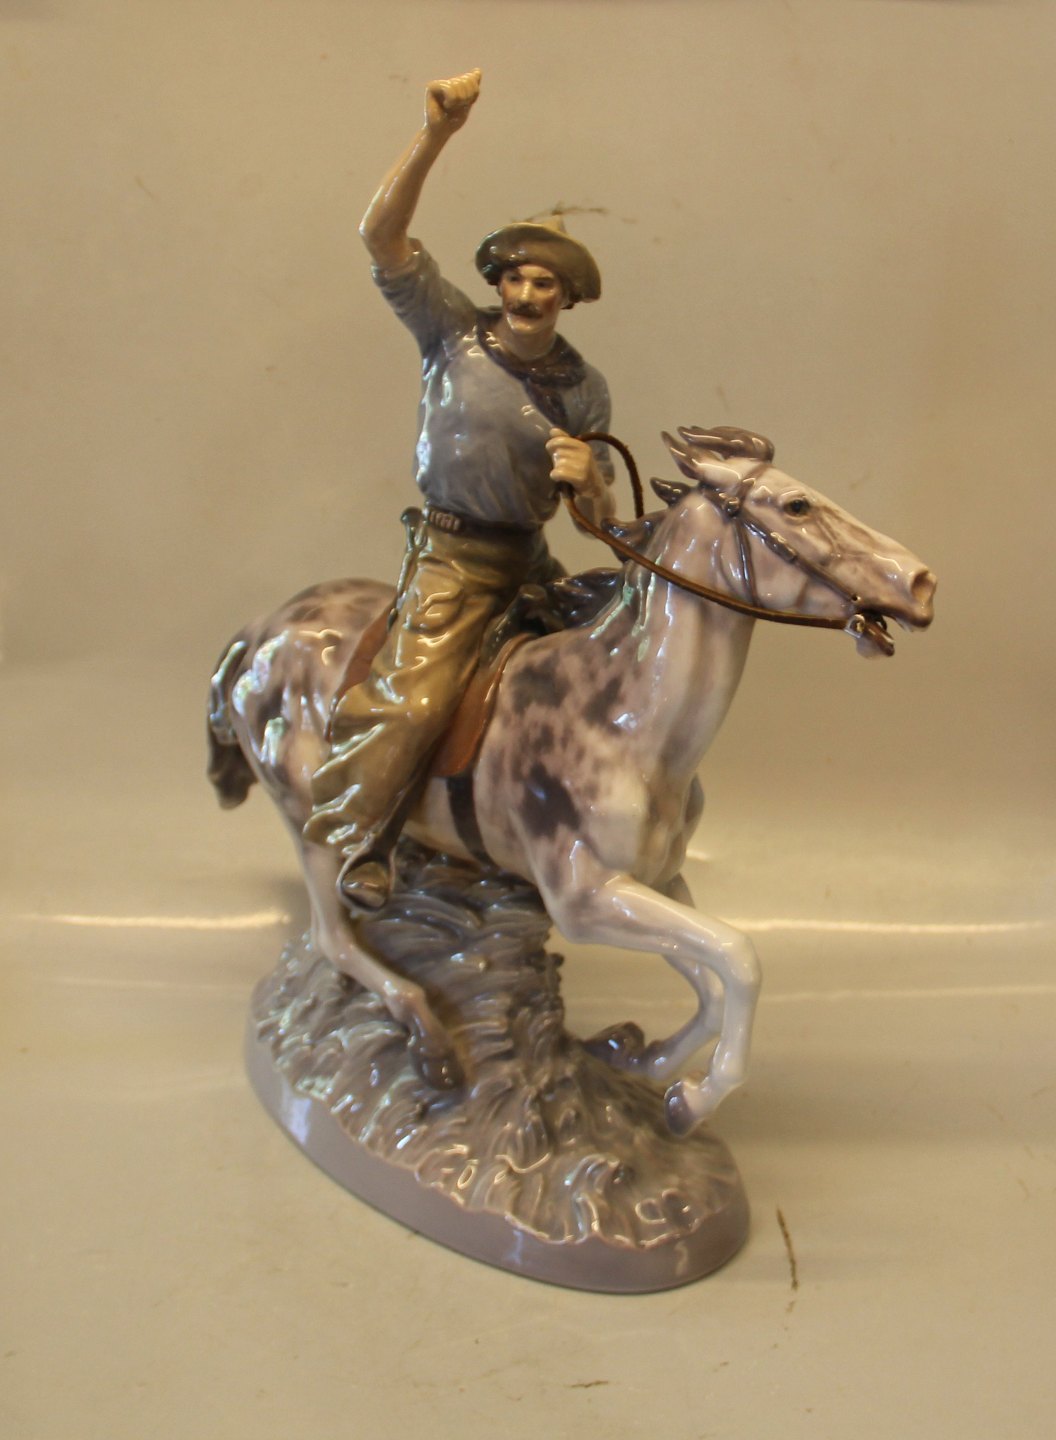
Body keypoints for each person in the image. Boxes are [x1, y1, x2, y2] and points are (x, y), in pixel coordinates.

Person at [303, 68, 616, 911]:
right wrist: (436, 133)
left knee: (606, 670)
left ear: (567, 297)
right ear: (498, 283)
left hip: (528, 559)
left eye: (544, 284)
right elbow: (380, 235)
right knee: (416, 702)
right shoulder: (451, 332)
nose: (526, 295)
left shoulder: (584, 390)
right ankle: (360, 836)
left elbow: (599, 519)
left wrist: (591, 483)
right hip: (452, 561)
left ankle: (563, 828)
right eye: (516, 279)